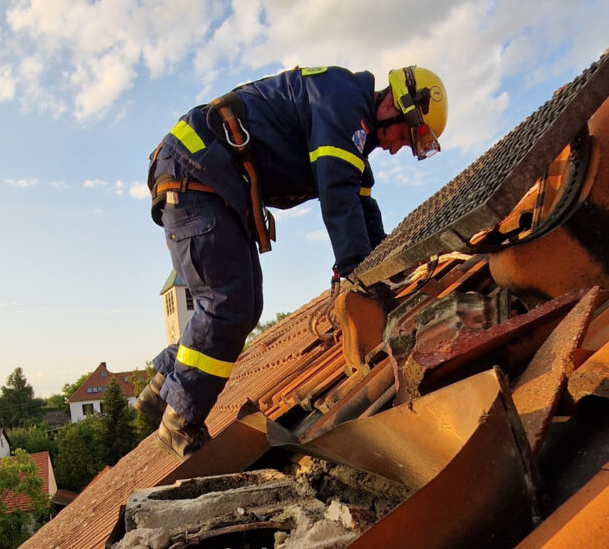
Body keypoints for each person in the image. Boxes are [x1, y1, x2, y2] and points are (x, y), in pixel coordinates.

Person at [136, 65, 448, 459]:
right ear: (393, 103)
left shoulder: (354, 134)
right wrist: (359, 276)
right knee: (227, 303)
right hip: (195, 173)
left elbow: (361, 206)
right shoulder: (345, 104)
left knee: (244, 306)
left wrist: (384, 264)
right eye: (406, 134)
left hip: (207, 178)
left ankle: (159, 390)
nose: (399, 146)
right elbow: (337, 195)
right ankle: (181, 421)